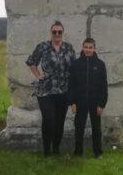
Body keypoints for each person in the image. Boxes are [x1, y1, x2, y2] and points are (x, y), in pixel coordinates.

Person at [26, 20, 75, 156]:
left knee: (59, 121)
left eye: (59, 32)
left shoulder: (69, 48)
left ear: (63, 33)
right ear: (51, 33)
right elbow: (31, 62)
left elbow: (73, 68)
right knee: (48, 118)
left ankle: (56, 149)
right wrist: (38, 75)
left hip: (63, 90)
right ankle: (47, 150)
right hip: (46, 89)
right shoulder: (43, 47)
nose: (57, 34)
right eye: (54, 32)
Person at [69, 37, 108, 159]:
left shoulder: (100, 65)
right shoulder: (75, 64)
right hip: (80, 102)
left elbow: (103, 86)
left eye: (90, 47)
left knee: (96, 128)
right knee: (79, 128)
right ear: (82, 48)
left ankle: (98, 152)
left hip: (95, 102)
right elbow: (71, 85)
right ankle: (78, 151)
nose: (88, 50)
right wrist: (72, 102)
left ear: (94, 49)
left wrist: (102, 104)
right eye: (86, 47)